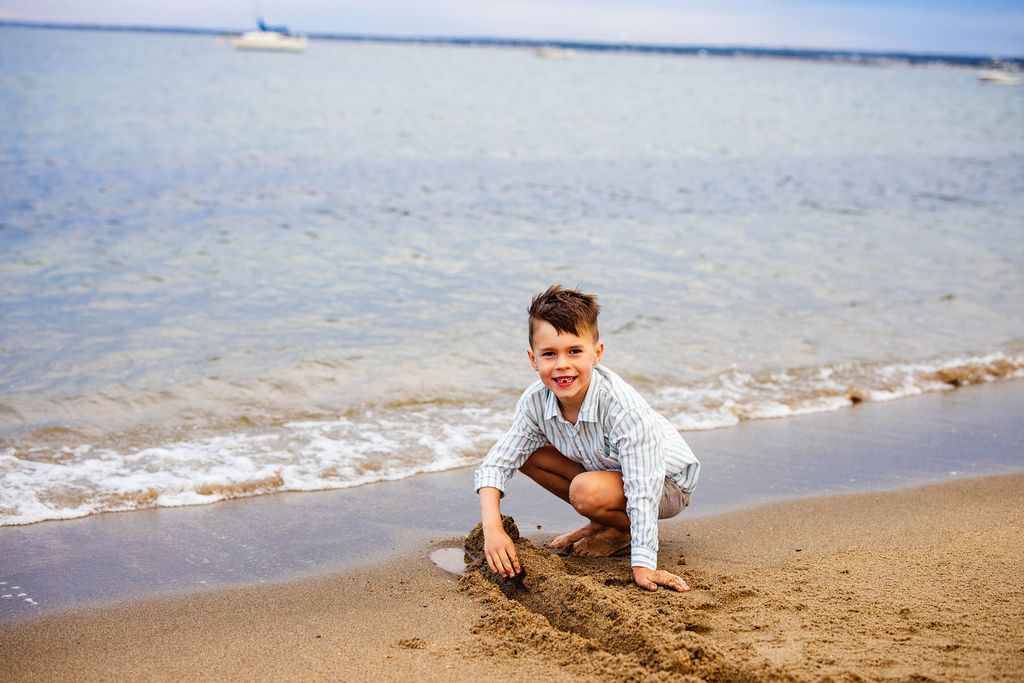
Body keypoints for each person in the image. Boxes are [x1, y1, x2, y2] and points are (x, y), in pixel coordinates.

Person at [474, 285, 701, 592]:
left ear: (597, 353)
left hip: (667, 482)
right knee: (527, 452)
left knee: (585, 491)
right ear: (533, 359)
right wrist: (493, 530)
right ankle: (607, 520)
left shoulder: (622, 408)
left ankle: (622, 530)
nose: (563, 364)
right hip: (610, 473)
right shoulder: (535, 402)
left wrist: (643, 564)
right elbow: (496, 464)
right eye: (550, 354)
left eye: (575, 351)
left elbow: (643, 488)